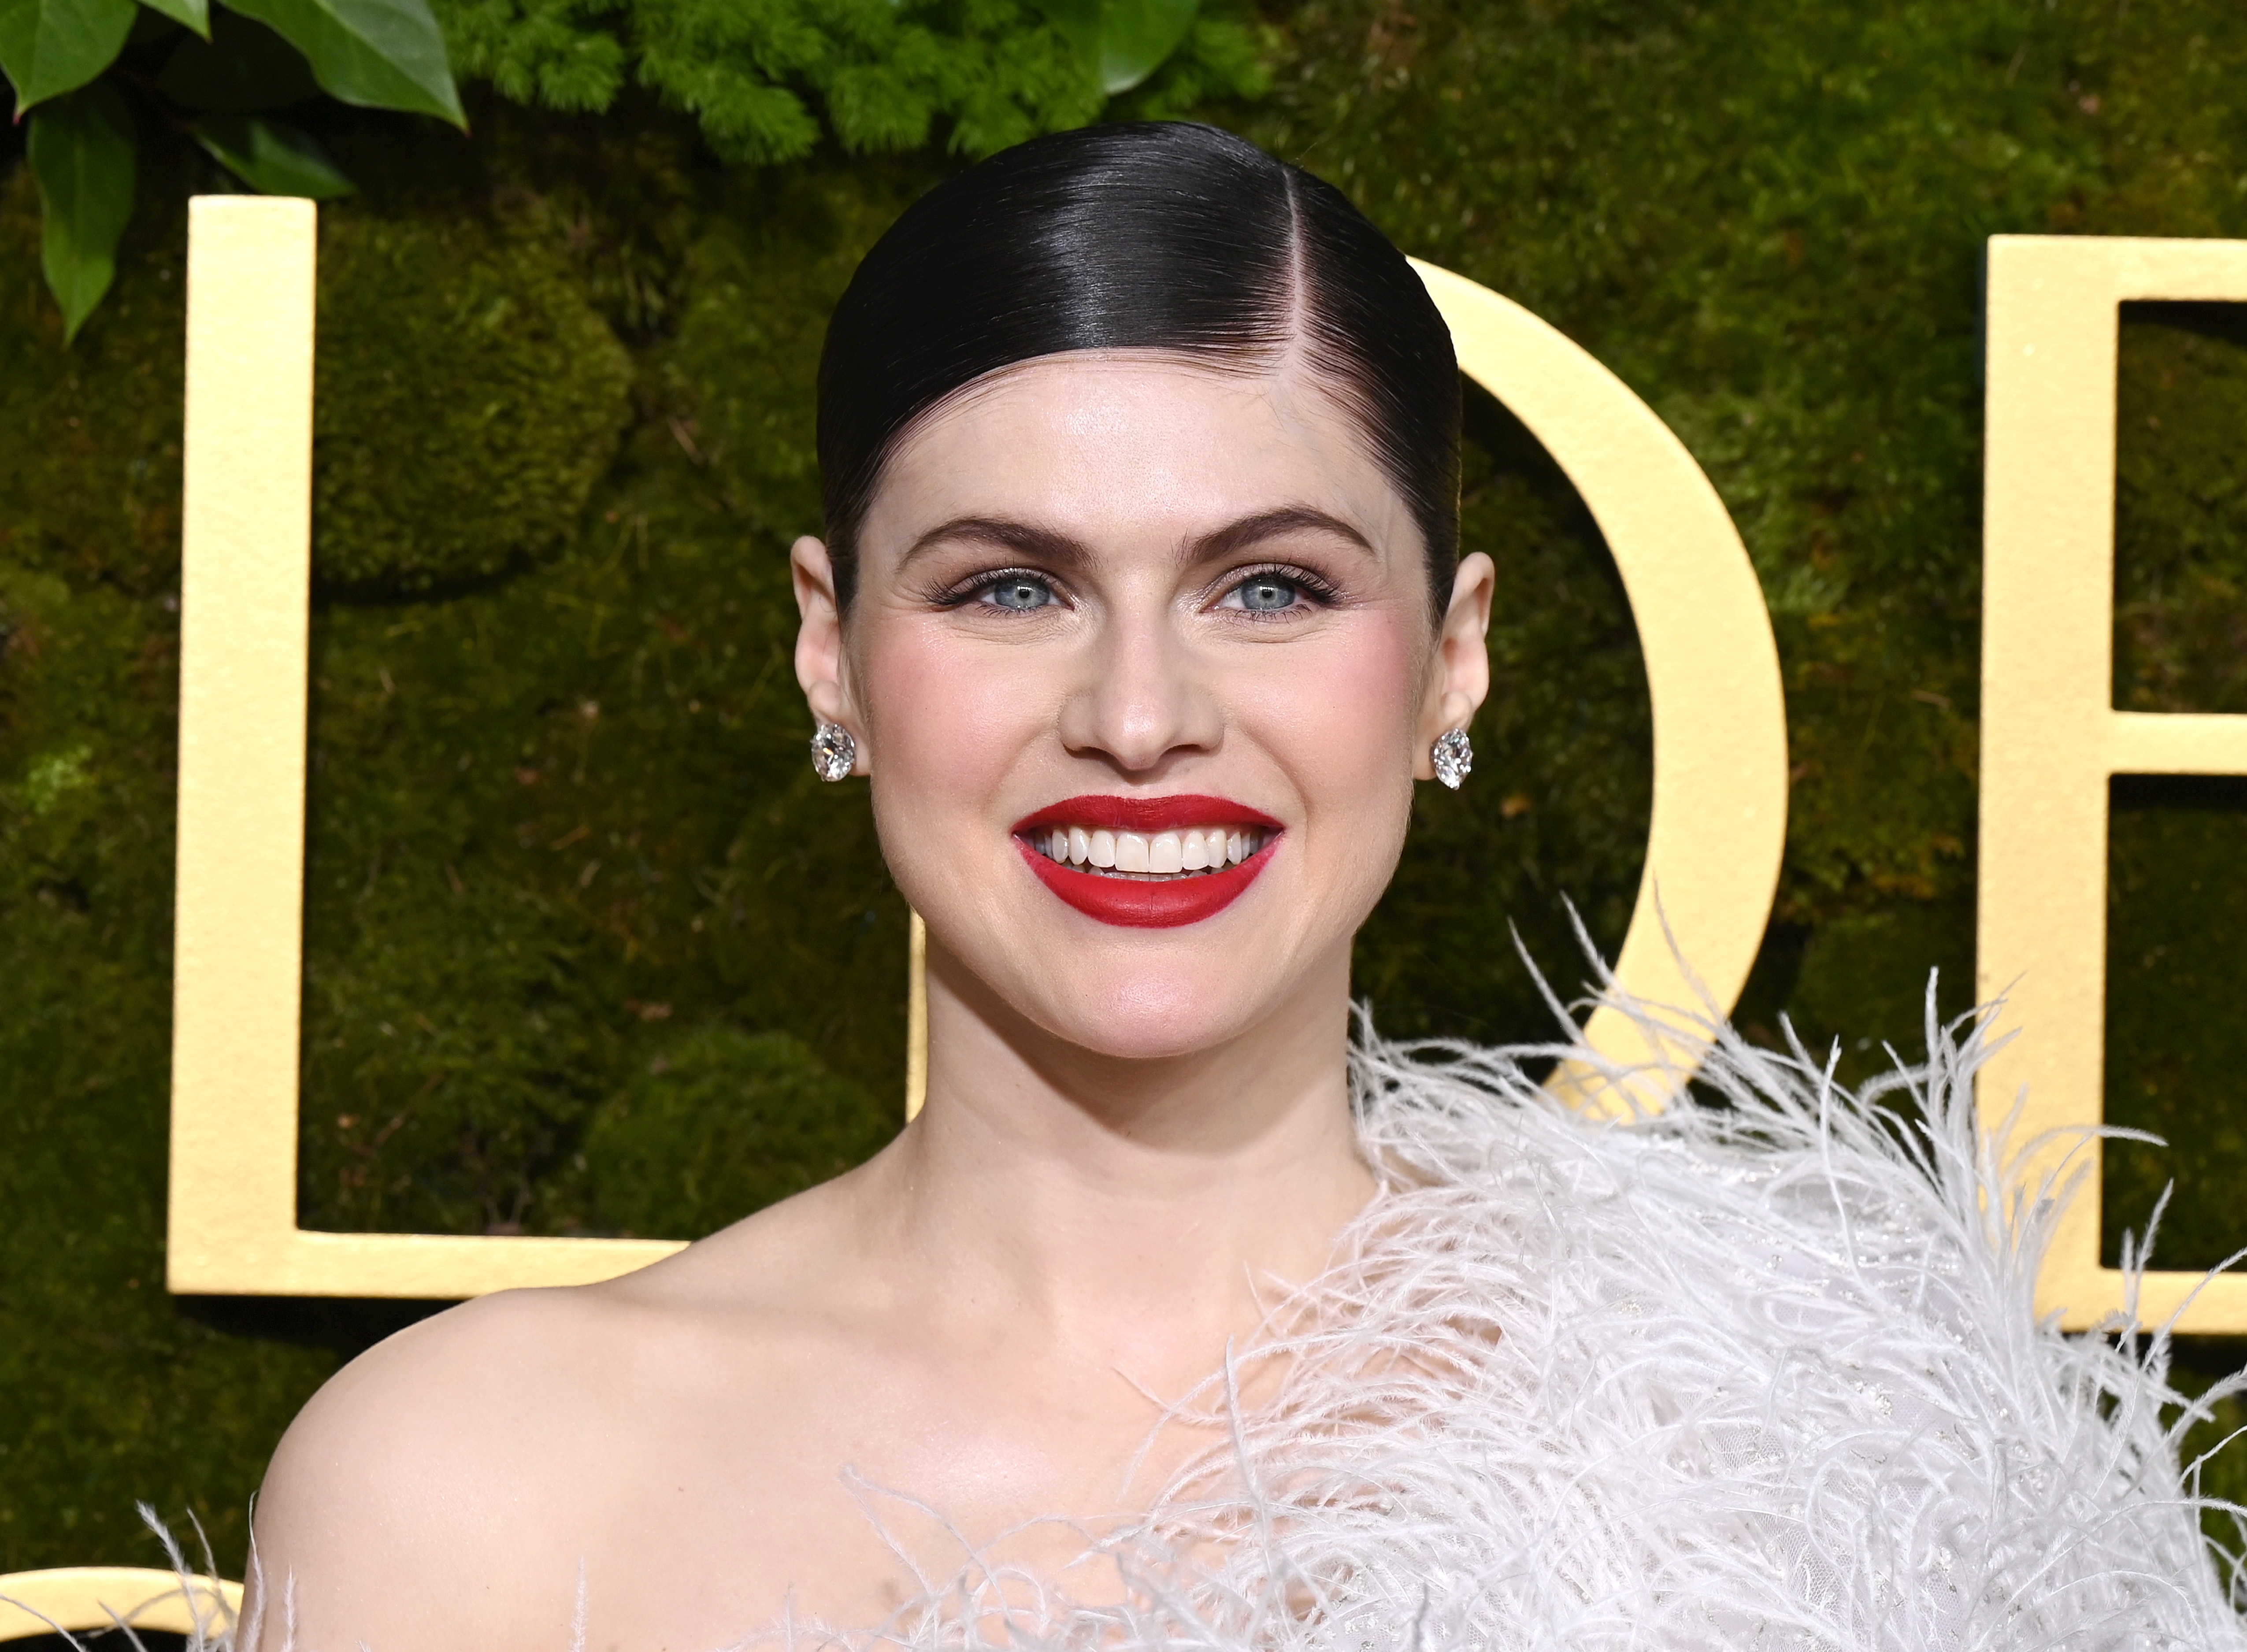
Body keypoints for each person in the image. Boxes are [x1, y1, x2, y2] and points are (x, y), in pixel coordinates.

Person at [243, 122, 2246, 1652]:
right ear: (831, 649)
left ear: (1452, 655)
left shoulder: (1810, 1444)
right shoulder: (471, 1489)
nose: (1139, 712)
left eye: (1270, 585)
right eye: (1009, 585)